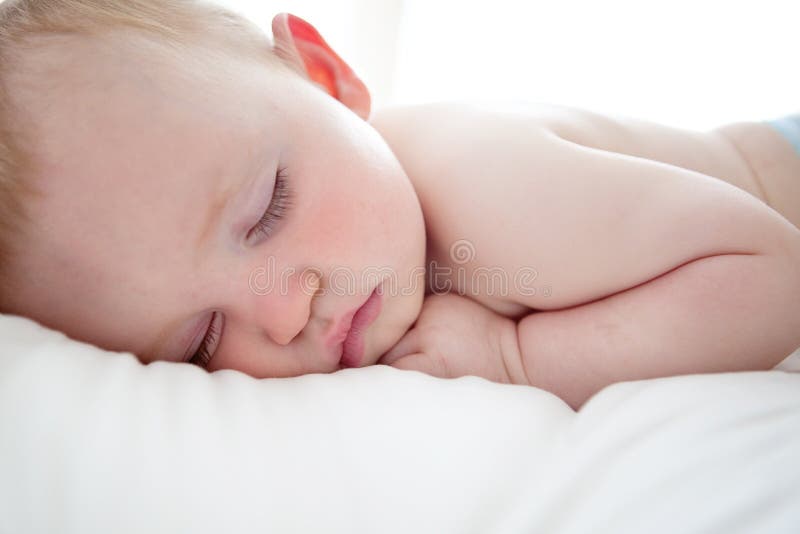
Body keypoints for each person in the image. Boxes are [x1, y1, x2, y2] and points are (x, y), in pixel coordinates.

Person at [0, 0, 798, 410]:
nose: (283, 314)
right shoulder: (377, 255)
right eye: (201, 344)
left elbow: (771, 276)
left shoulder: (486, 190)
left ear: (328, 79)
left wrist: (518, 362)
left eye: (267, 210)